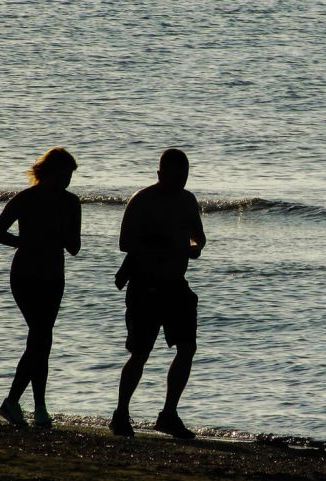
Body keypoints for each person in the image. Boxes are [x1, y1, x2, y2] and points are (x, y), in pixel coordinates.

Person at [109, 148, 206, 439]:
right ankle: (121, 413)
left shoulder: (188, 200)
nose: (180, 182)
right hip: (145, 286)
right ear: (160, 174)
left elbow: (198, 237)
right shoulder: (142, 200)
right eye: (174, 176)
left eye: (184, 177)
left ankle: (168, 414)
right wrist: (160, 246)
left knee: (187, 348)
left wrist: (194, 248)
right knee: (140, 353)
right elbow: (125, 243)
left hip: (176, 285)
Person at [0, 146, 81, 428]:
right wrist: (22, 243)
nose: (67, 181)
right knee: (41, 337)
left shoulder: (71, 203)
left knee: (41, 340)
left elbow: (75, 247)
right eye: (65, 174)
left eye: (71, 176)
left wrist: (60, 231)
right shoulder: (25, 198)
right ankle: (14, 402)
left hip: (54, 274)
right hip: (26, 273)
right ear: (50, 172)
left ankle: (38, 407)